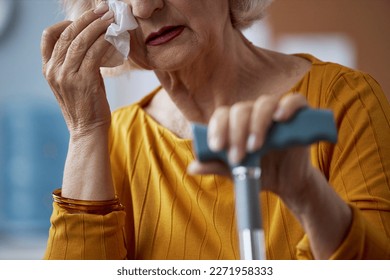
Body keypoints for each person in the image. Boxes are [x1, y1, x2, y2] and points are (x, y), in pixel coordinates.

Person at [41, 0, 390, 260]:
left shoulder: (345, 101)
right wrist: (85, 131)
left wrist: (308, 196)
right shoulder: (115, 140)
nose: (146, 7)